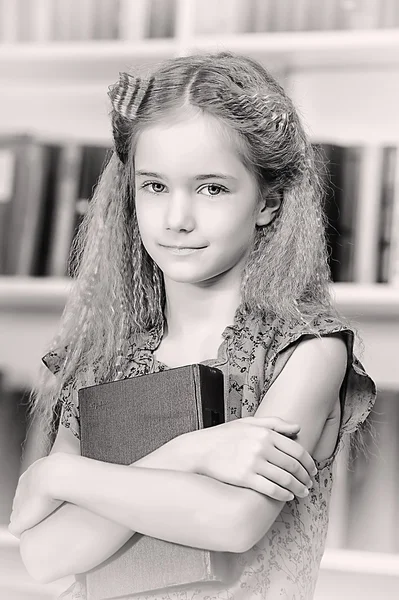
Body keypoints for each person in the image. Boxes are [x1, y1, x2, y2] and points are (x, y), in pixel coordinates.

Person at [9, 51, 376, 600]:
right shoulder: (102, 358)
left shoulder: (305, 351)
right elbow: (45, 555)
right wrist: (191, 452)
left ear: (267, 203)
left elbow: (231, 523)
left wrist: (57, 479)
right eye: (155, 186)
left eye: (211, 188)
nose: (177, 218)